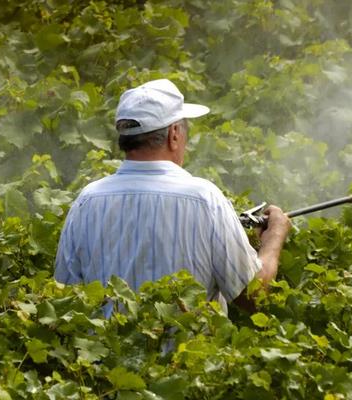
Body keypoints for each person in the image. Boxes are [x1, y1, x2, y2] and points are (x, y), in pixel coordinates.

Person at [54, 78, 290, 312]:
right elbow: (252, 296)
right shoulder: (205, 199)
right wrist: (274, 238)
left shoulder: (87, 201)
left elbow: (65, 298)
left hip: (105, 350)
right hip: (187, 350)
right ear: (174, 134)